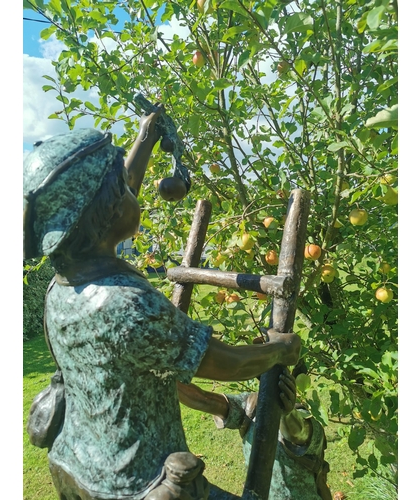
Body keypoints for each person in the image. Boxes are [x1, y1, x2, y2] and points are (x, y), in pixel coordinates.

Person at [23, 105, 301, 500]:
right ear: (110, 209)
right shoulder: (127, 305)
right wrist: (279, 350)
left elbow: (113, 202)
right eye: (119, 187)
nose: (129, 189)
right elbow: (226, 362)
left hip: (74, 465)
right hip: (136, 485)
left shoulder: (63, 287)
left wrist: (147, 136)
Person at [177, 368, 332, 500]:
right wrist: (164, 377)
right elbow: (204, 400)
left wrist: (287, 413)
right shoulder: (251, 405)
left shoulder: (307, 421)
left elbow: (297, 434)